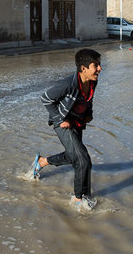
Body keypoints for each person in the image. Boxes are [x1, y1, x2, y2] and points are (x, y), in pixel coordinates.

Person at [29, 48, 102, 211]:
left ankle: (43, 161)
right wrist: (59, 119)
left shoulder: (92, 81)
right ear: (83, 68)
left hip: (78, 122)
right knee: (82, 158)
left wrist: (89, 114)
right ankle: (78, 199)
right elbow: (46, 99)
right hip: (64, 123)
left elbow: (89, 100)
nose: (99, 69)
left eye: (99, 65)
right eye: (95, 65)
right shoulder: (67, 84)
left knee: (76, 157)